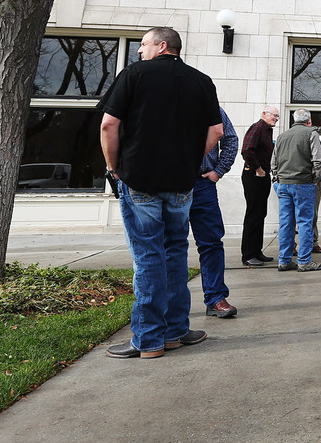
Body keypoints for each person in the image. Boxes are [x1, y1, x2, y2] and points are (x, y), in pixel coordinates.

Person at [100, 27, 223, 359]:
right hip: (182, 182)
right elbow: (217, 130)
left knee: (148, 256)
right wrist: (190, 159)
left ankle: (148, 339)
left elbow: (108, 124)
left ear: (162, 45)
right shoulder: (201, 80)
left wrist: (113, 167)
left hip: (139, 180)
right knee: (174, 252)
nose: (140, 51)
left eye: (143, 44)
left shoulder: (135, 74)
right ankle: (175, 331)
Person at [190, 106, 238, 318]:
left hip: (202, 184)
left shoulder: (210, 106)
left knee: (211, 242)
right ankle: (168, 305)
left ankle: (215, 297)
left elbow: (230, 139)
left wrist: (218, 171)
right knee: (171, 245)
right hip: (170, 183)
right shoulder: (167, 100)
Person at [271, 108, 321, 272]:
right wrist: (315, 180)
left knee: (286, 223)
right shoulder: (311, 133)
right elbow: (318, 160)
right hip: (303, 183)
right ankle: (304, 261)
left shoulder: (282, 136)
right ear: (308, 120)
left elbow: (273, 163)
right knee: (304, 223)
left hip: (283, 183)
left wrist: (277, 178)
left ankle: (284, 260)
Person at [239, 106, 279, 266]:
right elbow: (247, 151)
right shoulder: (257, 128)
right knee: (253, 215)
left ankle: (257, 251)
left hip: (262, 176)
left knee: (260, 214)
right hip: (254, 176)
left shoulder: (267, 131)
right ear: (264, 114)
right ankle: (248, 255)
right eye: (273, 115)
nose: (276, 118)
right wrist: (259, 169)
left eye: (277, 116)